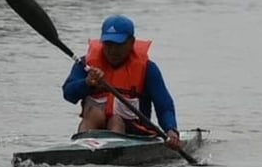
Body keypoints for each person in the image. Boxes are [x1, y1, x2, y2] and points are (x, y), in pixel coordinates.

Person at [62, 15, 182, 150]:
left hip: (134, 132)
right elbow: (68, 95)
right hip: (94, 128)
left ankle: (114, 160)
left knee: (115, 119)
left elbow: (164, 106)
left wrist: (171, 130)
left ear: (131, 42)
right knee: (93, 113)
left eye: (119, 45)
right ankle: (82, 149)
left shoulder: (148, 69)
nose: (113, 51)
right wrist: (86, 83)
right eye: (108, 44)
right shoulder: (86, 65)